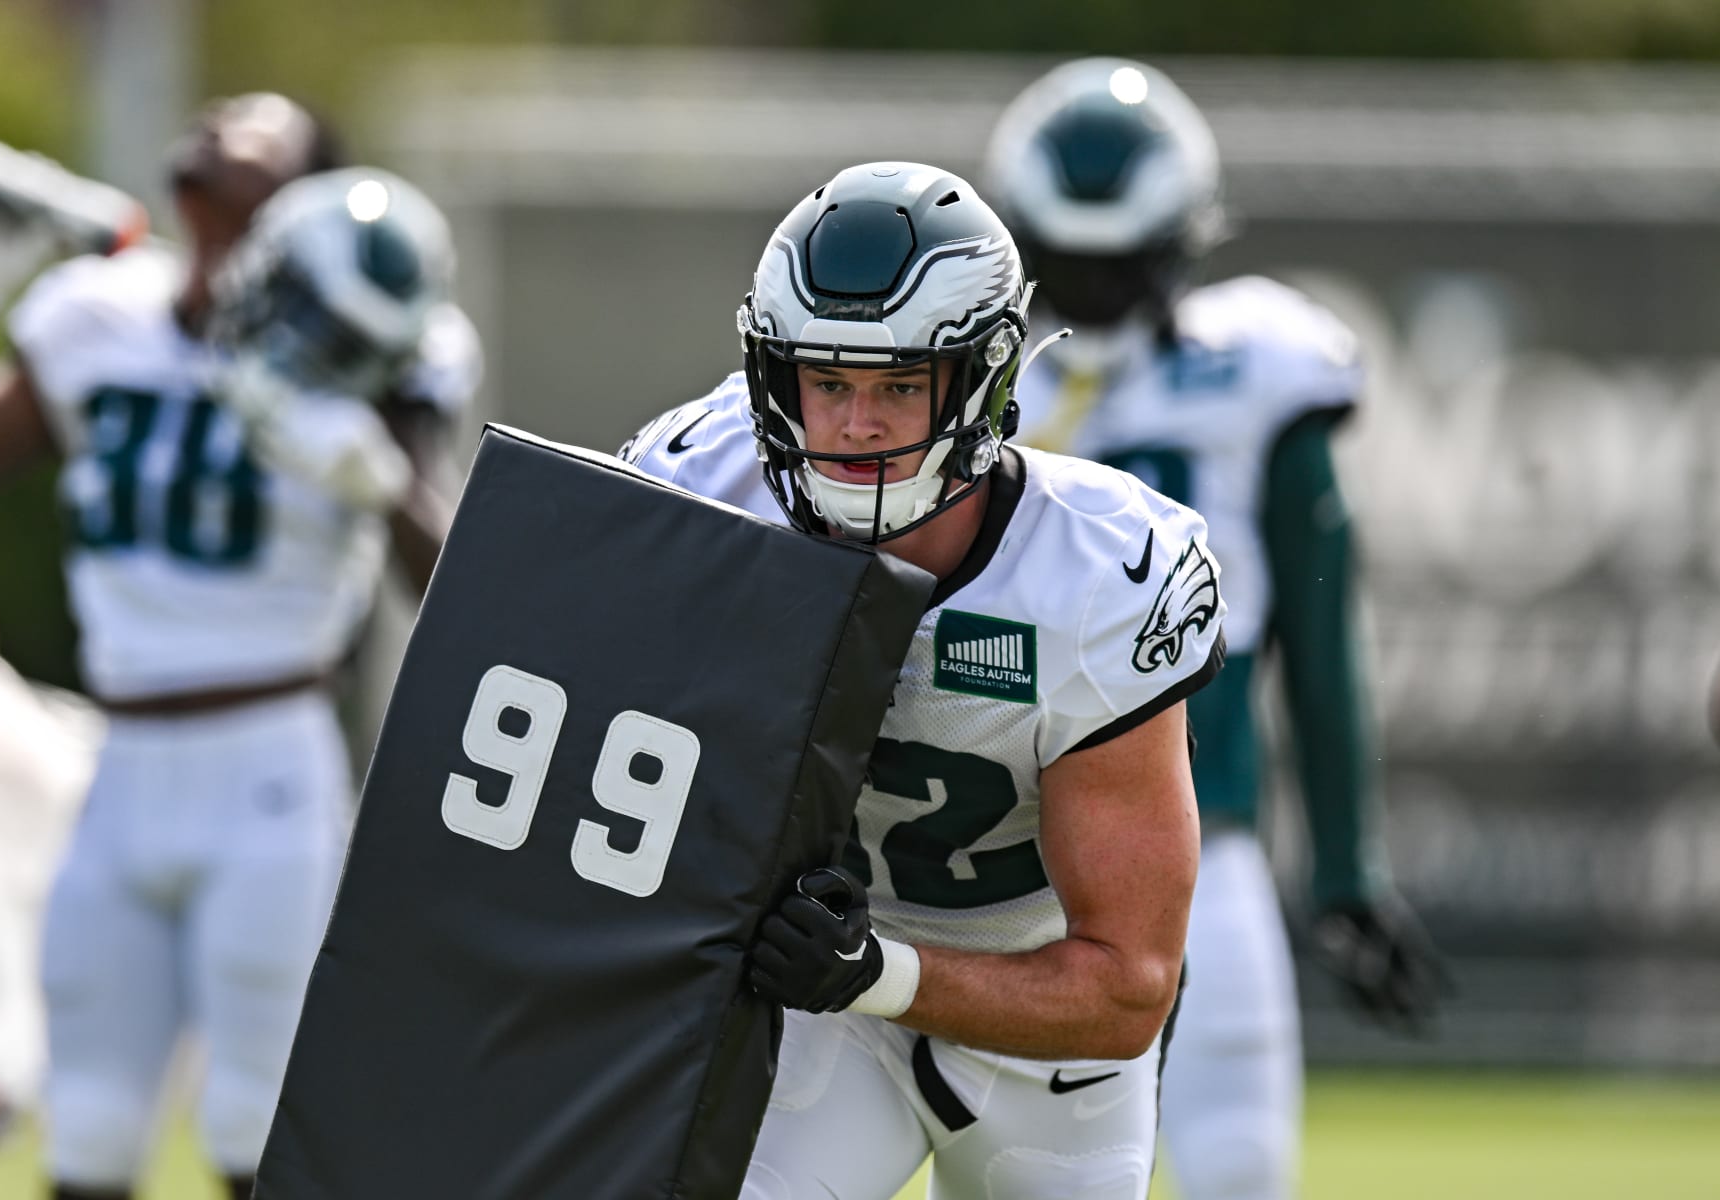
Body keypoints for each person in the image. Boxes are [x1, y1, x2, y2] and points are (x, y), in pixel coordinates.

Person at [621, 160, 1223, 1199]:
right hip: (817, 1003)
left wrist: (875, 971)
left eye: (900, 386)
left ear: (984, 382)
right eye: (830, 382)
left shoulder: (1092, 579)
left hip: (1046, 1031)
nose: (857, 426)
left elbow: (1128, 984)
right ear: (774, 376)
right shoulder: (702, 486)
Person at [0, 93, 481, 1200]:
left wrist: (378, 471)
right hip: (118, 762)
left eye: (259, 139)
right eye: (217, 123)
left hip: (267, 760)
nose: (223, 135)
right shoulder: (98, 315)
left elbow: (458, 592)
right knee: (87, 1128)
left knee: (256, 1128)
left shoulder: (370, 336)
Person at [983, 58, 1449, 1200]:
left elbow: (1324, 635)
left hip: (1195, 839)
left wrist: (1347, 863)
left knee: (1233, 1172)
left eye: (1115, 262)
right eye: (1074, 263)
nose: (1092, 291)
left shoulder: (1260, 369)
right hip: (1000, 860)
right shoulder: (975, 390)